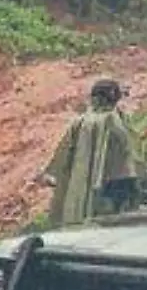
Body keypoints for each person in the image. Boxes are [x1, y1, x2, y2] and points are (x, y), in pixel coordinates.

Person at [43, 77, 140, 226]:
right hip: (113, 188)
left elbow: (62, 160)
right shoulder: (116, 121)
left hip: (81, 191)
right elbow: (130, 158)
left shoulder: (80, 122)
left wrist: (52, 177)